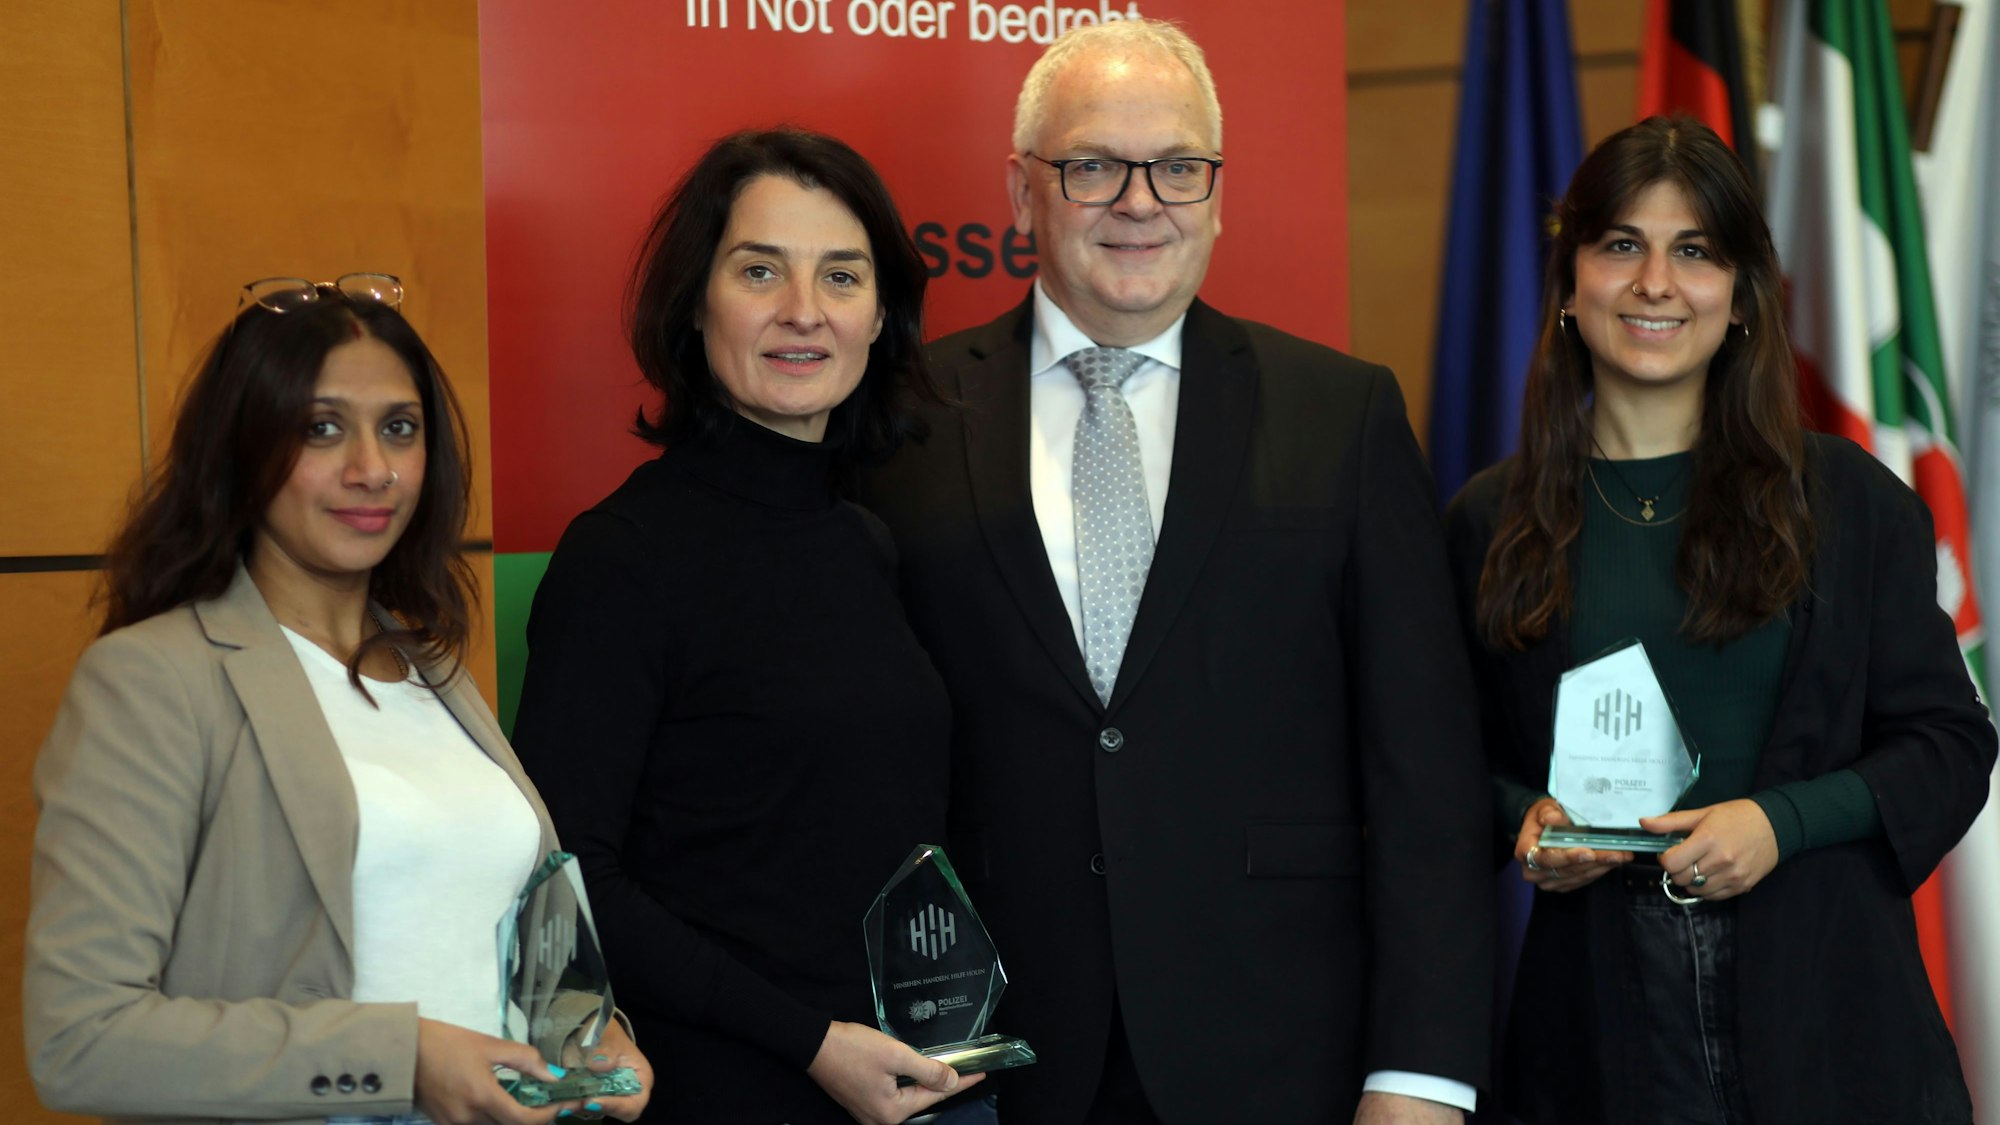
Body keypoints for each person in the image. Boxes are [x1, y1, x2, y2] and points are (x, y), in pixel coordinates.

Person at [859, 20, 1494, 1124]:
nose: (1139, 201)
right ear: (1020, 191)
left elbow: (1425, 775)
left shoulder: (1341, 414)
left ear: (1216, 191)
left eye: (1177, 167)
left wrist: (1419, 1075)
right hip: (986, 1061)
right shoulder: (900, 419)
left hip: (1279, 1051)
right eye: (1093, 166)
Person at [1443, 117, 1996, 1124]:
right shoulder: (1486, 519)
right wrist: (1525, 819)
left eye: (1694, 251)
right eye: (1622, 244)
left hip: (1831, 1021)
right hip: (1596, 1030)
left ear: (1740, 295)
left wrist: (1779, 824)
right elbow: (1438, 763)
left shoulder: (1847, 501)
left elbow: (1950, 743)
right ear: (1569, 281)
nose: (1655, 283)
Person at [24, 275, 652, 1125]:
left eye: (399, 428)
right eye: (321, 428)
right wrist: (402, 1058)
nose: (372, 469)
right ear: (243, 448)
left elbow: (488, 937)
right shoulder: (153, 679)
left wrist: (591, 1036)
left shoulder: (436, 671)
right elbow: (81, 1038)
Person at [511, 130, 982, 1125]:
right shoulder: (622, 556)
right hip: (731, 1089)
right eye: (760, 270)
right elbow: (569, 877)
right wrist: (811, 1043)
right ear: (695, 302)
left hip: (916, 1088)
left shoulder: (865, 540)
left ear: (879, 315)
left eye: (840, 276)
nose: (803, 309)